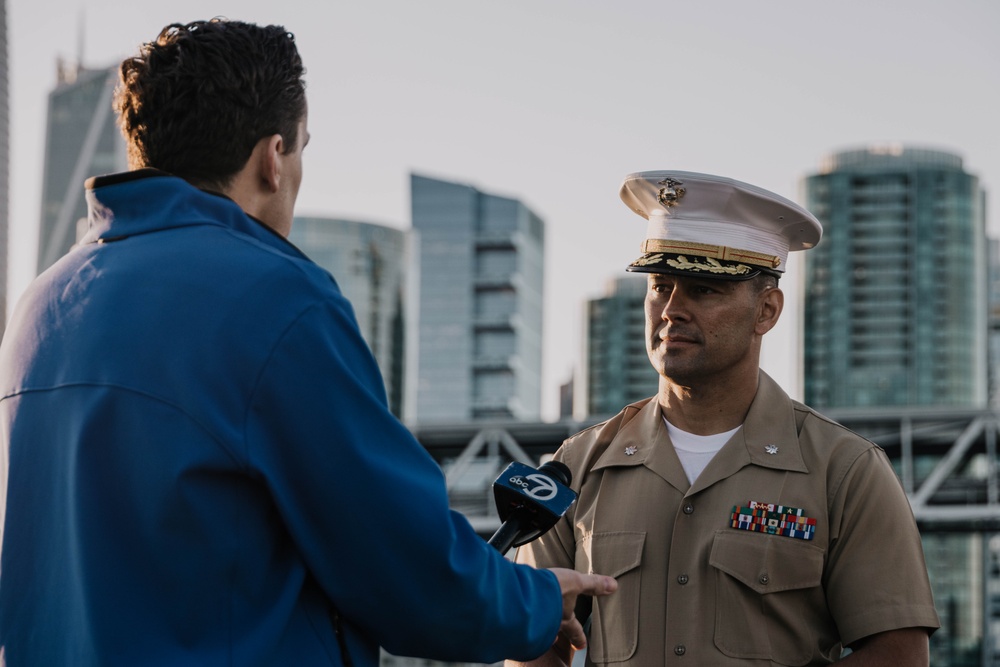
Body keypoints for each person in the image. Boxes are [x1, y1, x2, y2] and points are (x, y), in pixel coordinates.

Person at [0, 19, 616, 667]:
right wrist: (539, 600)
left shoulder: (38, 306)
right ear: (273, 158)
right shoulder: (276, 299)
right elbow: (408, 569)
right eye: (301, 150)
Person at [509, 171, 940, 666]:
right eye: (660, 286)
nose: (671, 310)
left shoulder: (845, 471)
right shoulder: (577, 467)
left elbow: (898, 652)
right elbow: (533, 645)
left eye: (703, 290)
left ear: (767, 311)